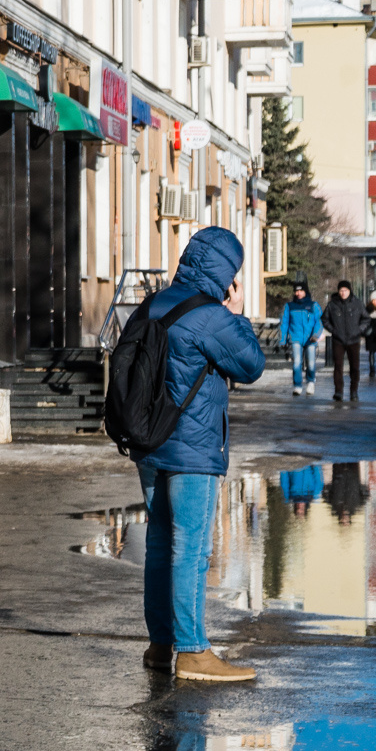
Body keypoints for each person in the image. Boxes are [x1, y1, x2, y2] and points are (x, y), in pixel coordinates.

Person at [126, 227, 264, 684]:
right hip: (193, 448)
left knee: (161, 544)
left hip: (148, 442)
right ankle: (193, 651)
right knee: (192, 548)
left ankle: (161, 644)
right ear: (226, 274)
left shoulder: (152, 304)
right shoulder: (211, 316)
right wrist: (238, 314)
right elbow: (250, 365)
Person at [323, 279, 369, 401]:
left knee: (355, 366)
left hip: (354, 340)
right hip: (338, 339)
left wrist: (359, 330)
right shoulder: (332, 304)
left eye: (346, 290)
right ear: (338, 291)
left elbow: (366, 319)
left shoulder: (357, 304)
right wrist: (333, 330)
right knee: (338, 366)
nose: (343, 293)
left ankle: (354, 391)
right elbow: (324, 319)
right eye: (341, 290)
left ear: (350, 291)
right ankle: (338, 391)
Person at [277, 281, 321, 396]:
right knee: (297, 362)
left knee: (311, 363)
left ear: (305, 292)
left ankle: (311, 382)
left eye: (301, 290)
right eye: (296, 291)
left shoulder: (313, 305)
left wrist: (315, 335)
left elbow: (319, 322)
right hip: (295, 338)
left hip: (311, 339)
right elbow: (284, 323)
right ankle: (297, 385)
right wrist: (282, 339)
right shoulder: (289, 306)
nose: (298, 293)